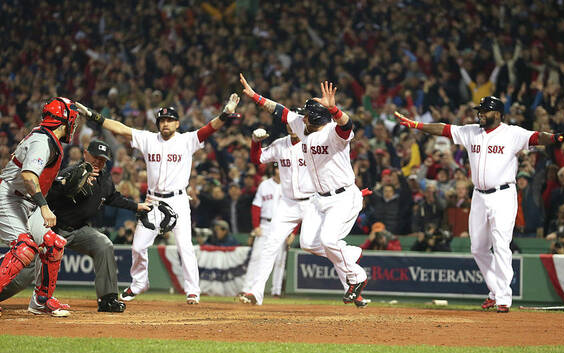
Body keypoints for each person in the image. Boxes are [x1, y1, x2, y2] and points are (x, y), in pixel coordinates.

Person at [395, 95, 564, 312]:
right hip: (479, 196)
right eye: (479, 110)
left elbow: (538, 137)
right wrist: (417, 125)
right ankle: (495, 290)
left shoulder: (512, 133)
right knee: (478, 248)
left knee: (501, 244)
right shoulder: (471, 131)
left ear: (499, 114)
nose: (480, 114)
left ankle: (503, 297)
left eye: (485, 111)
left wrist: (556, 138)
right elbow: (443, 129)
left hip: (503, 194)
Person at [76, 93, 240, 304]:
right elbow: (121, 128)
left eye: (170, 120)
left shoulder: (187, 140)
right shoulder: (147, 139)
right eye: (162, 120)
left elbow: (209, 128)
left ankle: (193, 291)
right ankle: (139, 284)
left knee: (185, 246)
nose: (165, 123)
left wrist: (225, 114)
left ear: (177, 123)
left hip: (178, 200)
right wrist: (93, 116)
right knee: (138, 246)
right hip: (152, 201)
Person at [240, 75, 368, 307]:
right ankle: (349, 254)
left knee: (329, 240)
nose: (301, 118)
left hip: (342, 196)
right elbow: (279, 110)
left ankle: (357, 277)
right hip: (319, 200)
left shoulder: (332, 133)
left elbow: (347, 125)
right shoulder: (302, 126)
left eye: (307, 115)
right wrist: (255, 96)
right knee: (309, 243)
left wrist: (335, 109)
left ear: (317, 117)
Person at [0, 140, 152, 312]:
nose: (98, 162)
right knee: (26, 273)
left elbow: (112, 198)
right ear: (86, 154)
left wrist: (136, 206)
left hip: (78, 229)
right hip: (52, 228)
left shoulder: (105, 178)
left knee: (104, 245)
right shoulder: (71, 171)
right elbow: (50, 194)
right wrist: (69, 186)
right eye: (95, 157)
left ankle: (108, 299)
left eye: (102, 160)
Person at [0, 97, 81, 317]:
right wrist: (45, 207)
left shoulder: (45, 138)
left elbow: (37, 178)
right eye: (73, 120)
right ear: (66, 120)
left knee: (53, 244)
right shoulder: (42, 141)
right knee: (23, 248)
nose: (74, 125)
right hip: (9, 197)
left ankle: (41, 300)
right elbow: (28, 176)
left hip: (26, 200)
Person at [238, 164, 290, 302]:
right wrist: (256, 226)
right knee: (256, 257)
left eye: (281, 167)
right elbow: (256, 206)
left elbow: (296, 208)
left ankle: (276, 291)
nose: (279, 170)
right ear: (273, 170)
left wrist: (293, 232)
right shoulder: (264, 185)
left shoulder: (290, 184)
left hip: (283, 226)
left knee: (279, 260)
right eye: (277, 168)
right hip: (265, 224)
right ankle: (246, 289)